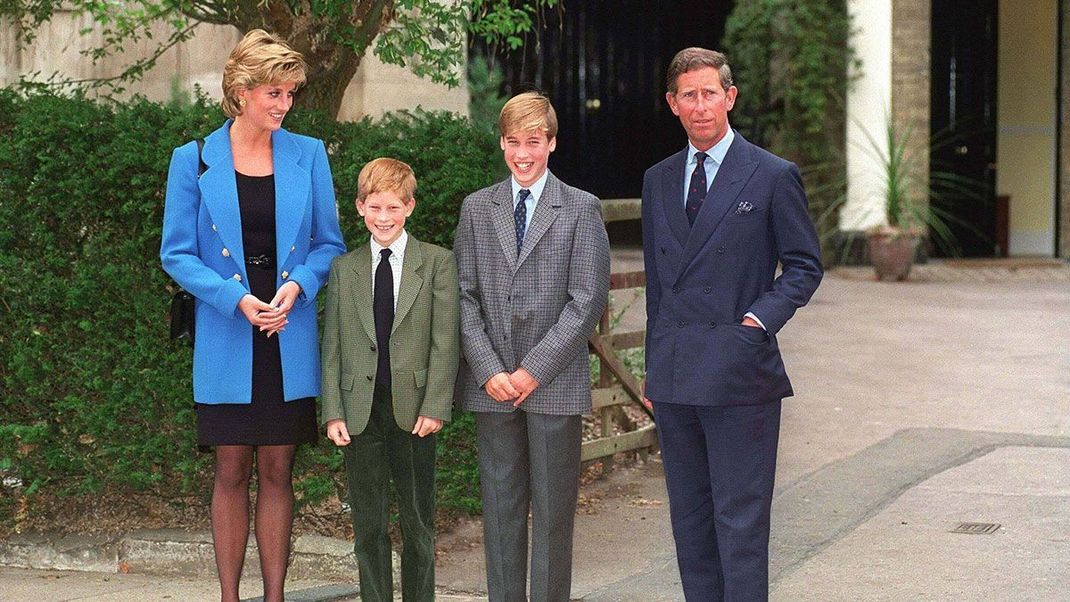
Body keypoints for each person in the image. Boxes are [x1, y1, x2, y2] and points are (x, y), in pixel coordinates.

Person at [160, 29, 345, 602]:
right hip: (227, 331)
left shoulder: (308, 154)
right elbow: (176, 253)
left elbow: (329, 244)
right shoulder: (192, 159)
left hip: (289, 331)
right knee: (230, 470)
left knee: (278, 472)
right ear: (241, 91)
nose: (284, 104)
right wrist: (235, 300)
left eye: (290, 93)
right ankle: (229, 598)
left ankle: (274, 597)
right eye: (275, 92)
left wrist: (298, 286)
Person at [641, 47, 823, 601]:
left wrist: (757, 321)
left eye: (710, 94)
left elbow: (804, 266)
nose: (702, 106)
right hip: (675, 375)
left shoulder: (770, 175)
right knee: (690, 522)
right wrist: (653, 367)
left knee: (740, 524)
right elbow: (657, 284)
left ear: (731, 97)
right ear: (673, 104)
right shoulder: (658, 179)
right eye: (689, 96)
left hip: (740, 372)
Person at [453, 91, 611, 602]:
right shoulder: (478, 208)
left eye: (535, 142)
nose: (524, 153)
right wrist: (489, 368)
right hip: (492, 383)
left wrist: (533, 370)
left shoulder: (581, 208)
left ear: (552, 143)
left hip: (553, 382)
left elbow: (586, 299)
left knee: (552, 511)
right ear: (502, 144)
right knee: (500, 510)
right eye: (514, 142)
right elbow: (463, 295)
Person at [320, 157, 460, 602]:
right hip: (361, 411)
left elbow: (445, 340)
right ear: (360, 207)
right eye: (375, 208)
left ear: (410, 207)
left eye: (394, 208)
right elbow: (334, 344)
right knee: (368, 526)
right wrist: (333, 411)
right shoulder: (346, 269)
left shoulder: (436, 263)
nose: (384, 218)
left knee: (418, 524)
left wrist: (436, 404)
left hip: (415, 410)